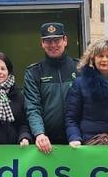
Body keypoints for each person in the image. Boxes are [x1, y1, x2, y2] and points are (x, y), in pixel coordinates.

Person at [25, 22, 78, 155]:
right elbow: (32, 107)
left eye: (57, 40)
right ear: (42, 43)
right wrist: (39, 133)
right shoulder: (34, 72)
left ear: (65, 40)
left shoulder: (80, 68)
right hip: (45, 143)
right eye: (48, 41)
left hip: (77, 141)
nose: (53, 45)